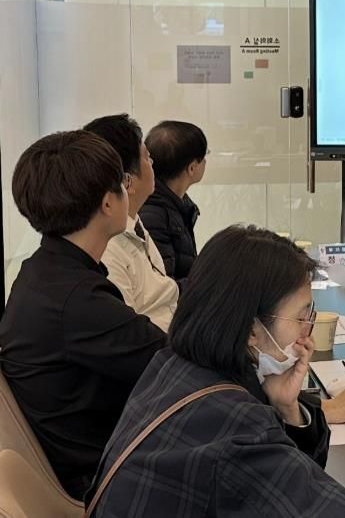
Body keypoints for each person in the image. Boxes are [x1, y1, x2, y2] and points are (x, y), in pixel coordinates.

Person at [85, 226, 345, 518]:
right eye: (301, 316)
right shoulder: (235, 425)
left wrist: (285, 406)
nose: (307, 333)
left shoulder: (173, 365)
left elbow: (281, 488)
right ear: (251, 330)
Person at [0, 131, 167, 499]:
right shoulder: (76, 300)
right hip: (104, 482)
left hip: (97, 457)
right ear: (108, 203)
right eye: (122, 183)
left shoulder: (44, 272)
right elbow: (171, 361)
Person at [84, 114, 179, 331]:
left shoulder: (134, 223)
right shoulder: (105, 246)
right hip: (159, 346)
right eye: (147, 157)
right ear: (128, 181)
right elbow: (126, 333)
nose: (152, 164)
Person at [140, 120, 206, 281]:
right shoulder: (154, 215)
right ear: (192, 168)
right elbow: (165, 285)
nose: (206, 161)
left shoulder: (177, 204)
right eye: (204, 157)